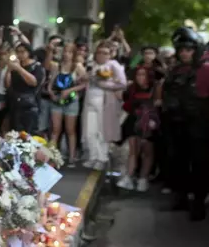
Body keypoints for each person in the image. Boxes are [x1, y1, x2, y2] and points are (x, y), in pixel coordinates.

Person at [162, 27, 209, 221]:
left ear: (195, 49)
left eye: (188, 49)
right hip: (176, 123)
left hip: (198, 124)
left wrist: (205, 114)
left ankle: (198, 204)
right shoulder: (175, 70)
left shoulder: (208, 70)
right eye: (181, 50)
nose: (184, 53)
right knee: (178, 162)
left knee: (199, 165)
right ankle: (180, 198)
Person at [82, 41, 127, 171]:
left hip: (105, 101)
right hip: (90, 100)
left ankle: (102, 158)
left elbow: (123, 83)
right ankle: (93, 156)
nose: (102, 55)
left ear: (110, 54)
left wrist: (104, 84)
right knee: (90, 131)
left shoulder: (113, 65)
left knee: (102, 132)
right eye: (99, 52)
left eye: (105, 53)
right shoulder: (92, 64)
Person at [117, 66, 161, 192]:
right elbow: (126, 104)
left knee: (147, 151)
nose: (141, 77)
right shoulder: (132, 88)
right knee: (133, 150)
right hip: (134, 120)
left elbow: (158, 103)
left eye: (143, 74)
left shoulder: (155, 87)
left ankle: (143, 178)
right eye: (138, 75)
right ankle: (129, 177)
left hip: (149, 122)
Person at [48, 43, 88, 167]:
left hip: (72, 100)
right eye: (65, 51)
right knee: (55, 130)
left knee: (70, 130)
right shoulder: (57, 66)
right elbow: (51, 81)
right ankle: (51, 157)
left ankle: (72, 157)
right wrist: (50, 91)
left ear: (74, 54)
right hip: (57, 99)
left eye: (70, 52)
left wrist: (70, 90)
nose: (66, 54)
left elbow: (85, 83)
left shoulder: (78, 67)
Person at [6, 42, 45, 135]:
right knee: (15, 133)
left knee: (28, 133)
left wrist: (19, 69)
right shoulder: (15, 65)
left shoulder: (36, 66)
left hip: (29, 104)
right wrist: (9, 69)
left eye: (22, 52)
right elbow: (8, 84)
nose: (20, 54)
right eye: (18, 52)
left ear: (29, 52)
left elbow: (33, 82)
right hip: (15, 102)